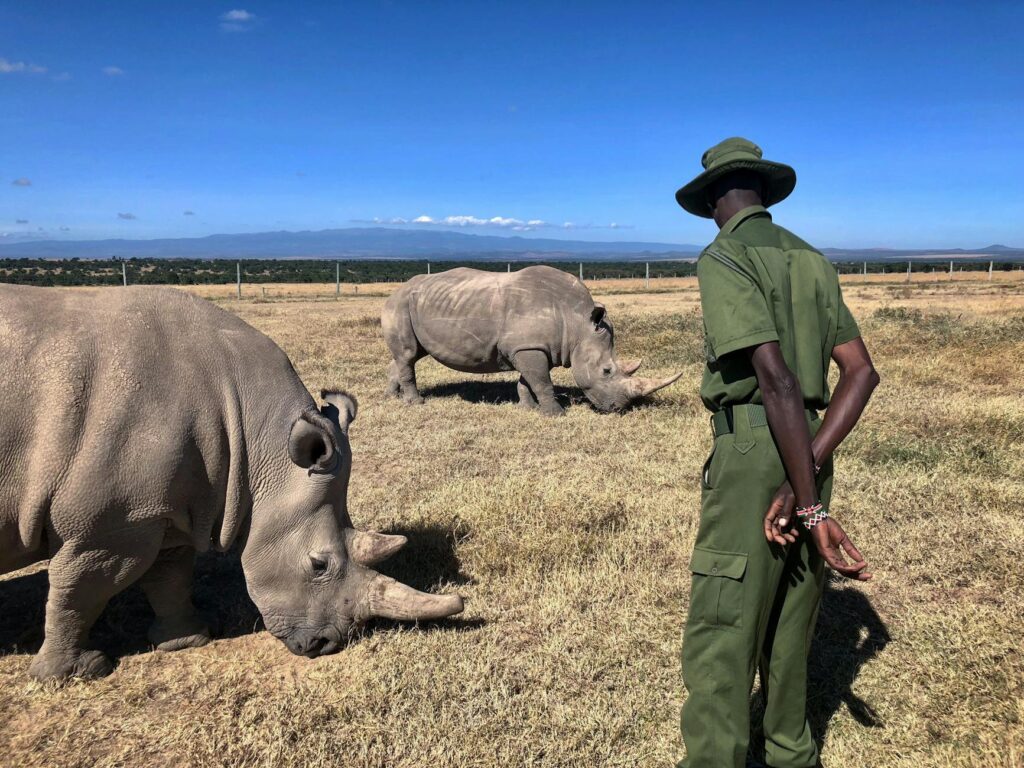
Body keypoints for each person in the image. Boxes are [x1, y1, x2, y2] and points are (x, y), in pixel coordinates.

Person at [674, 137, 880, 768]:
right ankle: (792, 753)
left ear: (714, 199)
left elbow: (777, 381)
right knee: (794, 611)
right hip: (813, 447)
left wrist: (803, 500)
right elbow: (861, 373)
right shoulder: (813, 260)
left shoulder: (724, 257)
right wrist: (808, 480)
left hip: (756, 445)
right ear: (763, 191)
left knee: (724, 619)